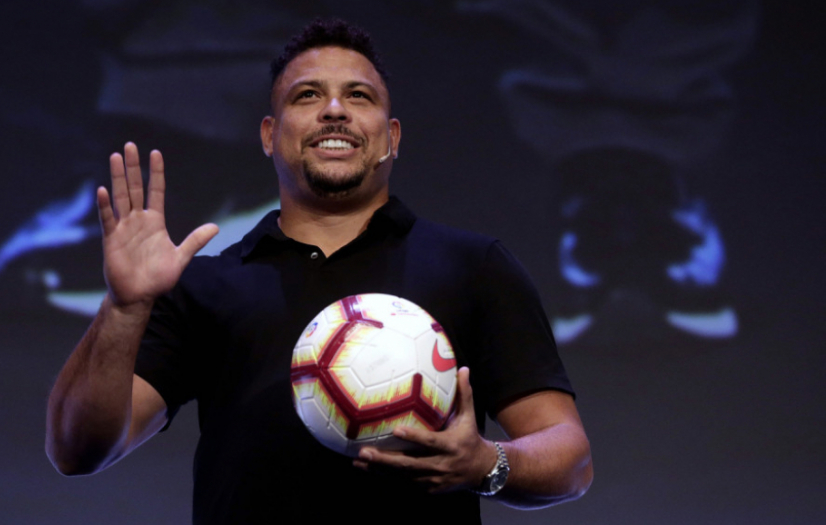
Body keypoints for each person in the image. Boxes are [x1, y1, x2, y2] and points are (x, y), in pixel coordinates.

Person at [45, 18, 592, 524]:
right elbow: (76, 450)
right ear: (268, 135)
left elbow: (569, 458)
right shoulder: (205, 285)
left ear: (393, 137)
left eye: (359, 95)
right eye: (307, 95)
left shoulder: (474, 267)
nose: (334, 110)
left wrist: (487, 463)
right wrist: (124, 308)